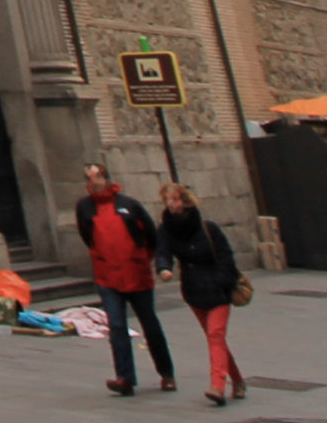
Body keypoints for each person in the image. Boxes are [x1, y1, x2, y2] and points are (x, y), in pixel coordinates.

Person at [76, 162, 174, 396]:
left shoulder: (128, 205)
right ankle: (125, 377)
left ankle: (167, 373)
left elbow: (150, 234)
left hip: (137, 276)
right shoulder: (84, 207)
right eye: (90, 178)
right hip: (107, 277)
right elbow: (86, 235)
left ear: (106, 178)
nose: (94, 182)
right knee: (117, 326)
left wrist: (145, 260)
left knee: (150, 325)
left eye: (98, 177)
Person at [155, 184, 247, 406]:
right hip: (194, 290)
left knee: (215, 335)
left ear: (186, 202)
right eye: (169, 200)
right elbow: (163, 251)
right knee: (216, 338)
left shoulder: (208, 228)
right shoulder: (166, 229)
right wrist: (164, 268)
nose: (172, 204)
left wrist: (222, 280)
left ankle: (217, 386)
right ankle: (238, 380)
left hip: (218, 289)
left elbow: (226, 255)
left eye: (176, 199)